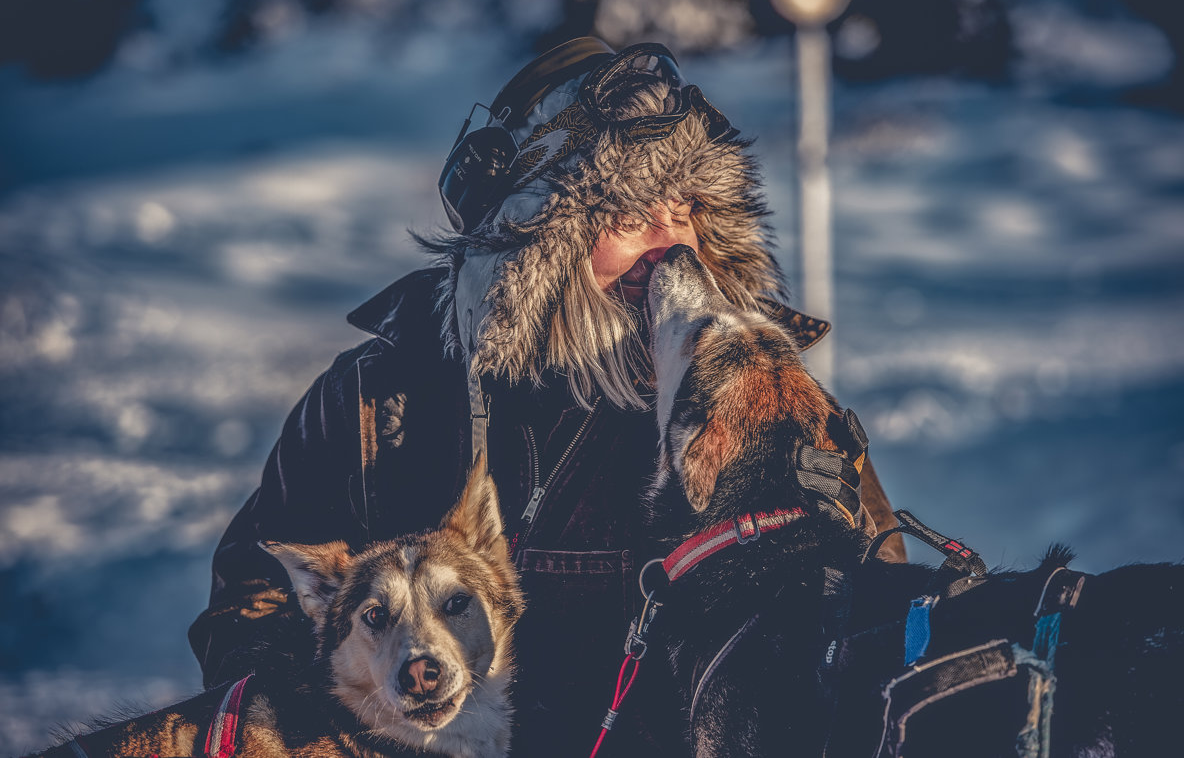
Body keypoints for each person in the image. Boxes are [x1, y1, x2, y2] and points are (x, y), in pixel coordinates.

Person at [188, 37, 905, 755]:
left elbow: (870, 644)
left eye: (684, 207)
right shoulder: (378, 404)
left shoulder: (760, 412)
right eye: (626, 218)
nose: (672, 246)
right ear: (536, 245)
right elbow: (252, 609)